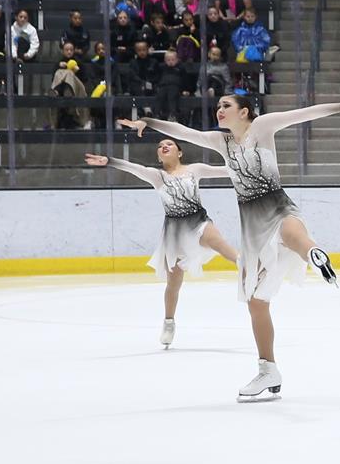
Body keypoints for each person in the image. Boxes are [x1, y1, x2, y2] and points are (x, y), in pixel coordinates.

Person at [119, 93, 340, 400]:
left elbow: (307, 112)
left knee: (288, 230)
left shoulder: (263, 126)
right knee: (257, 302)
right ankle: (268, 368)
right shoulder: (221, 142)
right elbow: (183, 132)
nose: (219, 110)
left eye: (226, 105)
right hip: (252, 224)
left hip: (275, 202)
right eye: (218, 106)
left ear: (245, 112)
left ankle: (312, 252)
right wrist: (147, 122)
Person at [85, 143, 241, 349]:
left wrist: (248, 165)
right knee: (174, 283)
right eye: (159, 146)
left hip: (199, 220)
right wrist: (110, 161)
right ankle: (169, 322)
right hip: (175, 232)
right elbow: (134, 168)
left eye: (169, 144)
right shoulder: (157, 176)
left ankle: (246, 265)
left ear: (180, 152)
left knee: (216, 240)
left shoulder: (195, 169)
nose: (164, 146)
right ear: (159, 156)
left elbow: (227, 170)